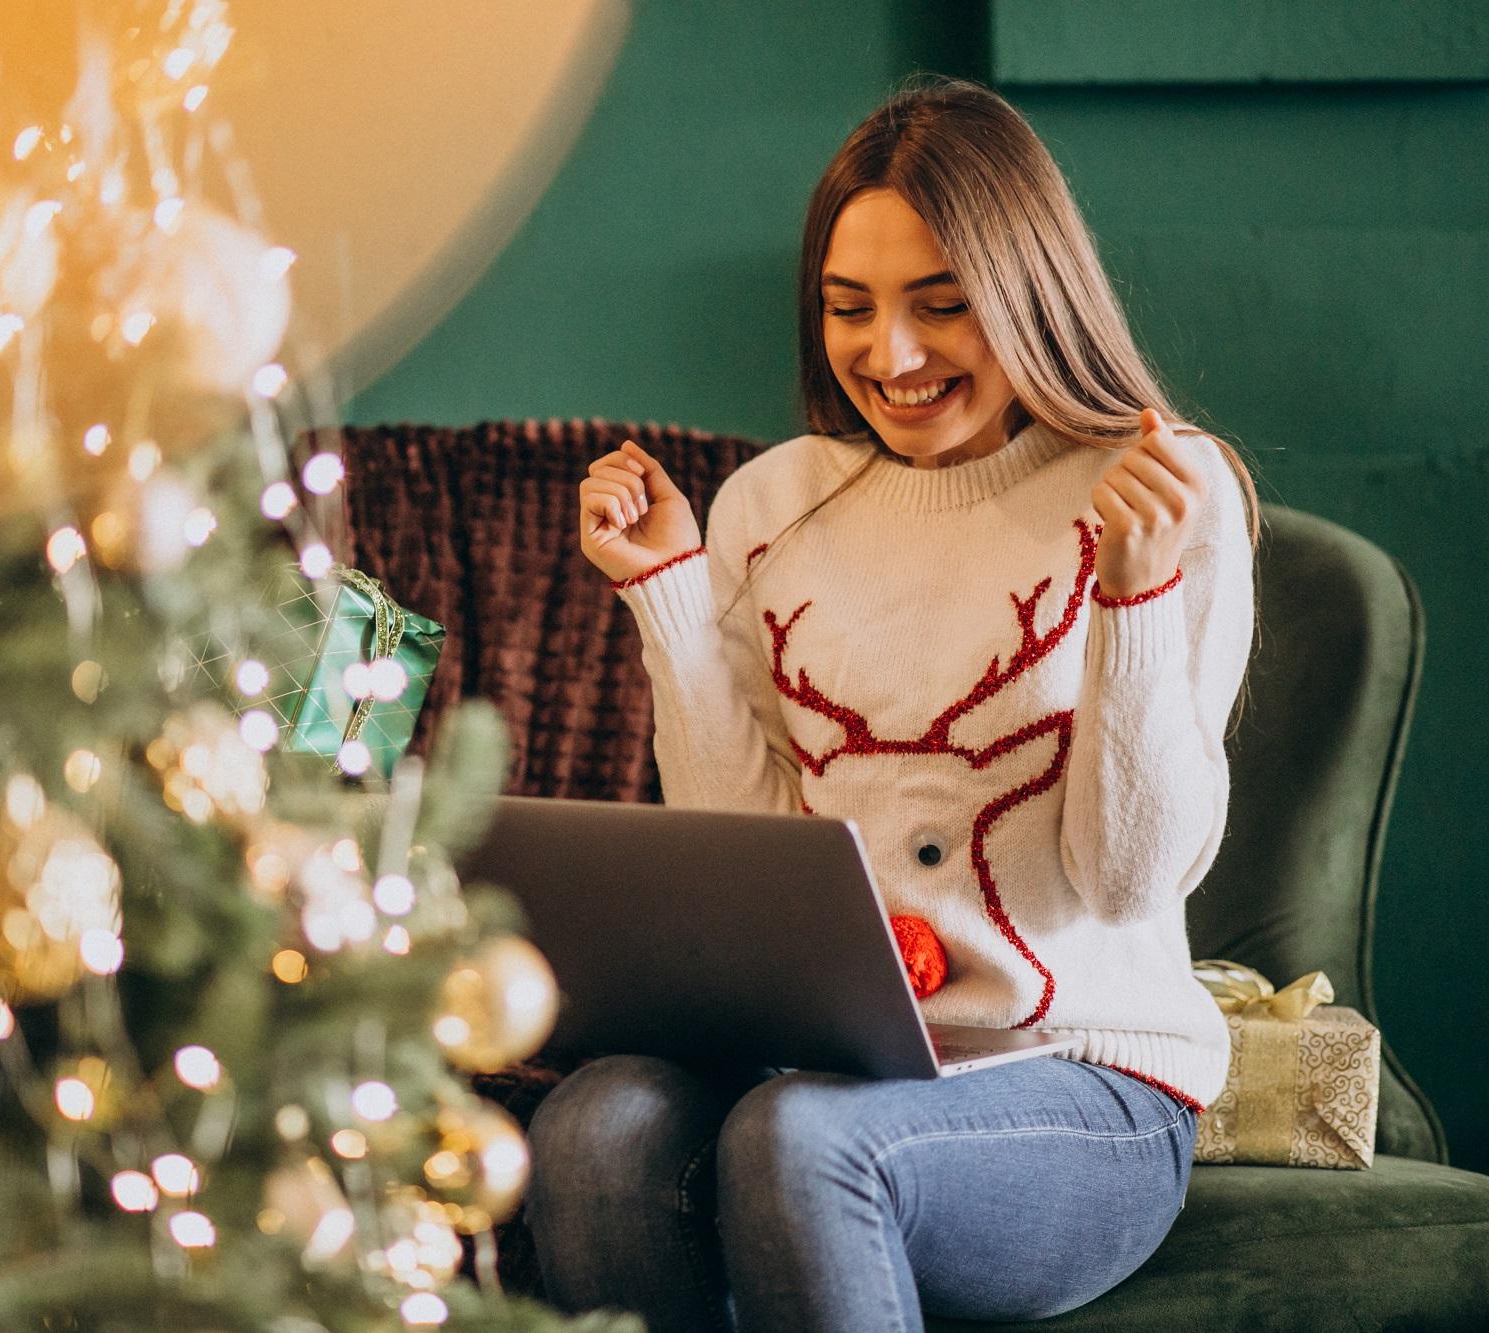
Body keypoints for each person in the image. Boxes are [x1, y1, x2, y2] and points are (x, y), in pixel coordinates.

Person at [534, 76, 1260, 1331]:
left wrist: (1130, 602)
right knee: (595, 1128)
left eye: (942, 306)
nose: (893, 356)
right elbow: (744, 845)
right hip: (831, 1057)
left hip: (1082, 1082)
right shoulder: (772, 505)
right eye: (848, 309)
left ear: (1031, 295)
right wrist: (665, 593)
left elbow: (1132, 878)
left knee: (802, 1139)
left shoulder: (1162, 489)